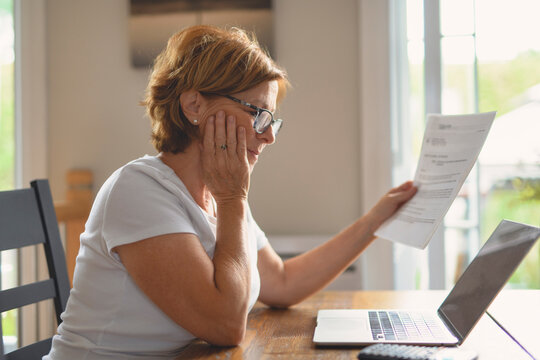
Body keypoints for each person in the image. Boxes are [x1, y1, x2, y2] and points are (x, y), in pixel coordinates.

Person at [45, 25, 416, 359]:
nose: (269, 135)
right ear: (194, 105)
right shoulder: (138, 191)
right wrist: (233, 199)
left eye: (272, 120)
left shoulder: (219, 194)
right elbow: (225, 325)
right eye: (257, 112)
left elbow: (283, 283)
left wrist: (375, 221)